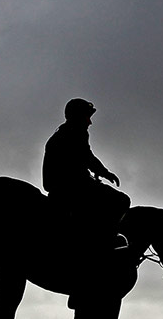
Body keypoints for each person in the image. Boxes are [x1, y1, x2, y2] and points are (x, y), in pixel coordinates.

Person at [42, 98, 131, 251]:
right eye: (87, 117)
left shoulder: (67, 133)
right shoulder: (73, 134)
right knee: (121, 200)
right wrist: (104, 173)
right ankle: (105, 241)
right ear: (78, 117)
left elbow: (85, 157)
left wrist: (102, 173)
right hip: (70, 187)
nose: (90, 122)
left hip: (67, 185)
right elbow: (86, 157)